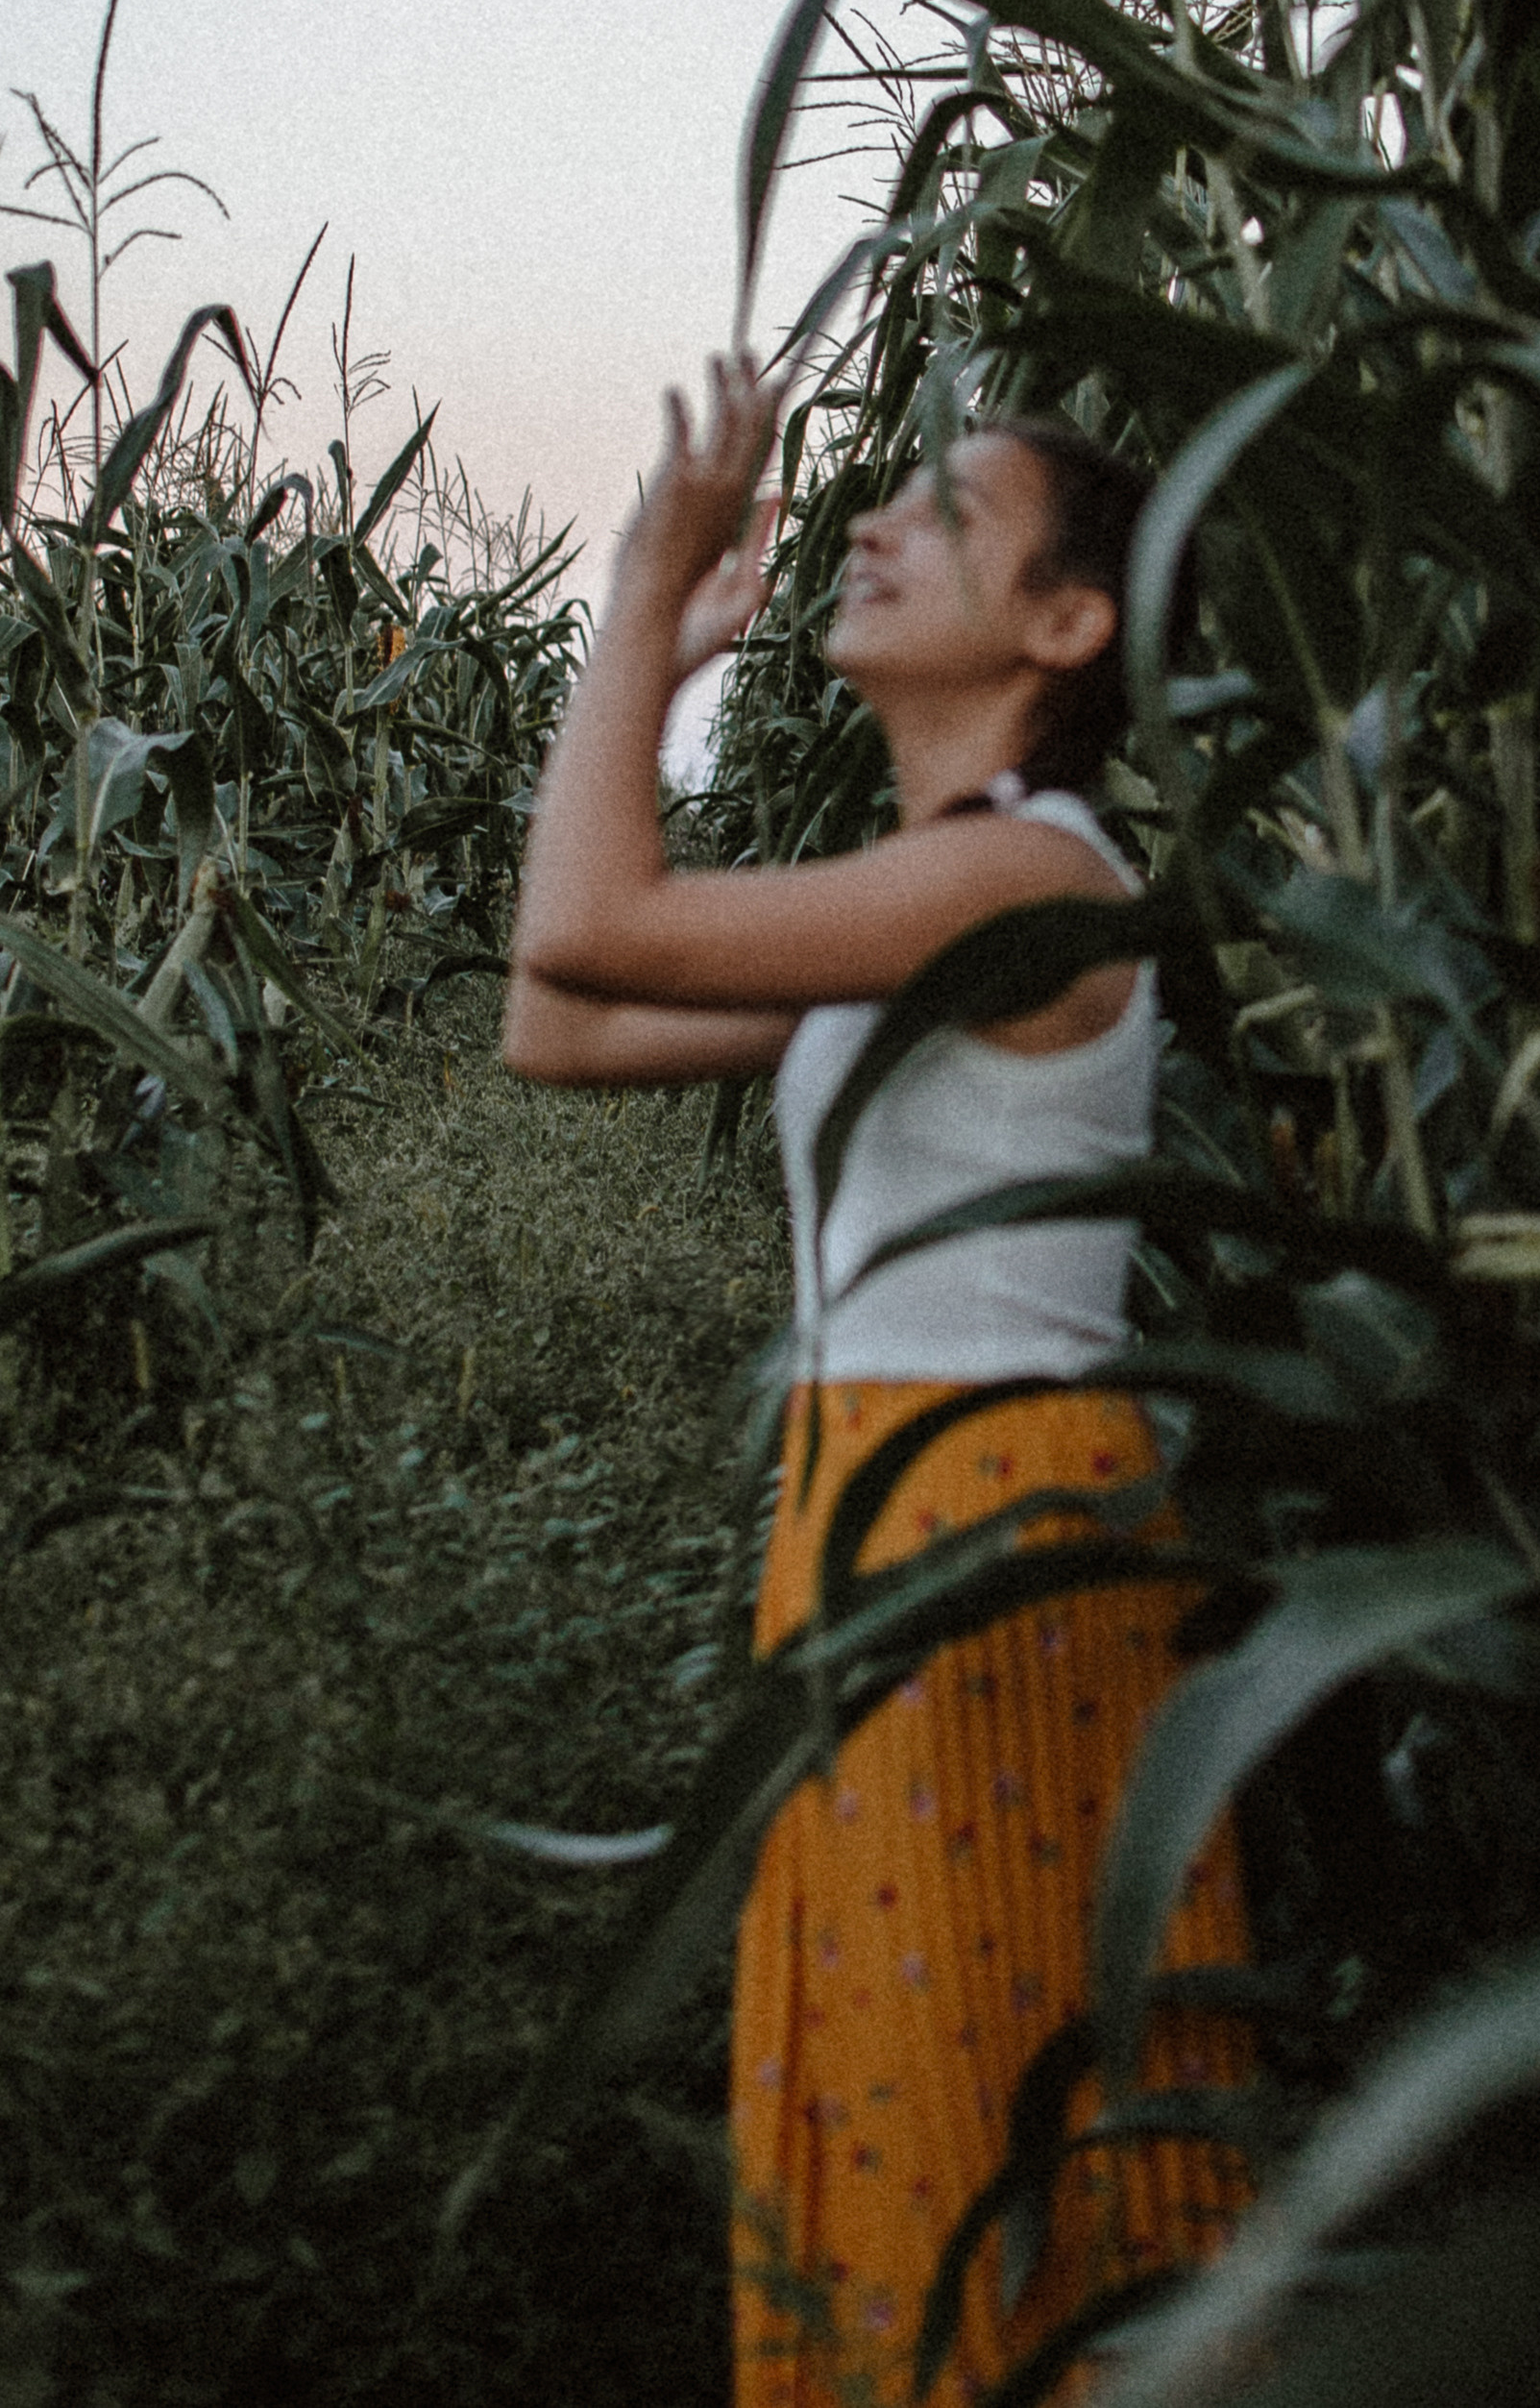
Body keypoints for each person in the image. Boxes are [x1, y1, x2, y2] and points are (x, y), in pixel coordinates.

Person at [504, 355, 1250, 2408]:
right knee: (913, 2027)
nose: (866, 527)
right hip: (890, 1511)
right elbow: (554, 1021)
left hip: (979, 1522)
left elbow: (589, 914)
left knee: (967, 2053)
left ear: (1067, 624)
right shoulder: (939, 891)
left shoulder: (1023, 880)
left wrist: (652, 584)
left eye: (941, 515)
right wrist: (649, 641)